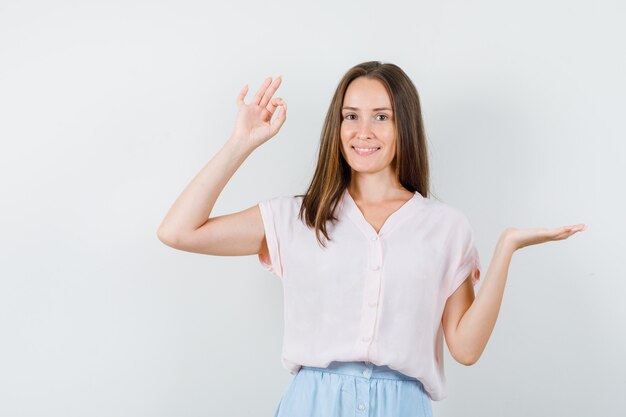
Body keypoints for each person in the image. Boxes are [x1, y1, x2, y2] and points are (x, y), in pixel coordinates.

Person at [157, 61, 587, 417]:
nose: (364, 131)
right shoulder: (298, 216)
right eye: (351, 116)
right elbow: (178, 231)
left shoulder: (445, 227)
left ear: (404, 126)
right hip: (313, 404)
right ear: (337, 125)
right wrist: (241, 142)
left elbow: (466, 348)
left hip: (404, 405)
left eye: (381, 116)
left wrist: (506, 248)